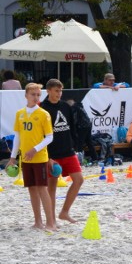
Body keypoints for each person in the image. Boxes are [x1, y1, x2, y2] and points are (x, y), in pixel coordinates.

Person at [7, 83, 57, 231]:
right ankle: (38, 222)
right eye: (33, 94)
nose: (36, 97)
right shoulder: (20, 114)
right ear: (26, 95)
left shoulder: (43, 114)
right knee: (32, 189)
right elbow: (17, 136)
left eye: (38, 95)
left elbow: (49, 137)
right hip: (26, 158)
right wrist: (13, 157)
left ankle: (50, 223)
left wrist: (35, 149)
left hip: (40, 157)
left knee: (42, 189)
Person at [40, 79, 84, 223]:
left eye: (60, 91)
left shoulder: (65, 106)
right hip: (52, 154)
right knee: (51, 187)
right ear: (48, 91)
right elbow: (40, 134)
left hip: (68, 151)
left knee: (79, 180)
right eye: (56, 91)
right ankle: (51, 219)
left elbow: (71, 127)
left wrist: (74, 146)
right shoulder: (42, 108)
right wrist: (47, 157)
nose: (59, 94)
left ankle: (64, 212)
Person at [67, 99, 96, 164]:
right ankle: (95, 158)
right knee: (89, 142)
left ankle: (79, 161)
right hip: (88, 125)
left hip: (82, 127)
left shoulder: (74, 108)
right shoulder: (80, 106)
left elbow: (74, 121)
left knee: (79, 144)